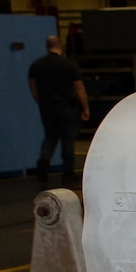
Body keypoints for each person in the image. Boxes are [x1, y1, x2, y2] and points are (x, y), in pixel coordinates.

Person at [28, 35, 89, 182]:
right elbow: (79, 87)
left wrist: (40, 102)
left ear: (47, 46)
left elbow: (33, 86)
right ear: (60, 46)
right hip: (65, 107)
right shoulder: (68, 65)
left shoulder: (36, 65)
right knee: (67, 140)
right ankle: (68, 172)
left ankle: (44, 160)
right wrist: (85, 107)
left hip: (47, 108)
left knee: (50, 137)